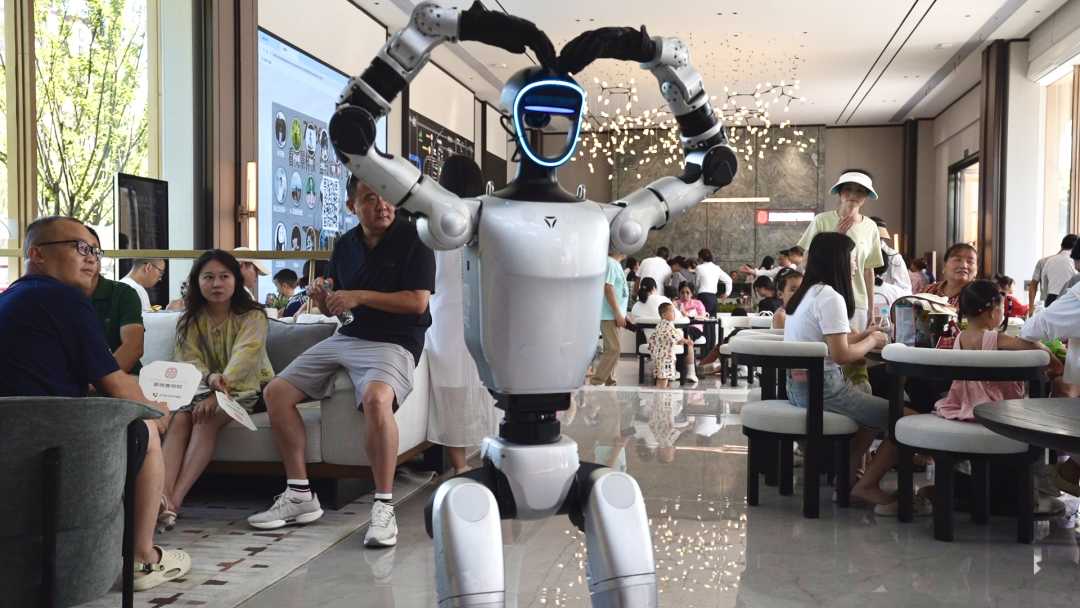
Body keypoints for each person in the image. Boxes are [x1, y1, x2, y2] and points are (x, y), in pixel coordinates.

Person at [0, 216, 190, 590]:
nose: (91, 258)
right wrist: (159, 409)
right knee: (145, 425)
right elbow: (114, 385)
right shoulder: (63, 299)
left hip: (11, 448)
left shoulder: (10, 299)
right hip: (54, 451)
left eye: (95, 251)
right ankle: (142, 558)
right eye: (79, 248)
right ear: (37, 254)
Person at [249, 177, 436, 550]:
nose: (381, 205)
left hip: (395, 340)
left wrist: (359, 296)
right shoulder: (346, 245)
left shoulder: (415, 238)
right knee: (276, 392)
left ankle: (383, 507)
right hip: (349, 336)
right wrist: (324, 298)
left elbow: (417, 302)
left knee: (377, 400)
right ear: (352, 206)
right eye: (370, 198)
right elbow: (335, 308)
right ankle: (300, 493)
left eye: (386, 197)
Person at [783, 232, 902, 508]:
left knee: (870, 417)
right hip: (823, 390)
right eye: (852, 258)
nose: (855, 265)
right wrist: (872, 340)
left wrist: (864, 335)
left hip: (798, 387)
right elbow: (841, 355)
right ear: (836, 260)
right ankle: (867, 485)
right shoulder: (830, 296)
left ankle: (846, 481)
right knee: (905, 421)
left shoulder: (807, 294)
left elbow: (828, 340)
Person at [160, 250, 274, 528]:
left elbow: (245, 358)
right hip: (200, 388)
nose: (216, 284)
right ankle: (159, 499)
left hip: (247, 388)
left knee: (206, 419)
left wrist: (218, 393)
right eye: (208, 277)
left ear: (236, 280)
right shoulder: (190, 319)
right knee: (180, 419)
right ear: (197, 282)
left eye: (224, 276)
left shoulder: (254, 316)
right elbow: (188, 360)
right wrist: (210, 379)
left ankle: (174, 502)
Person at [425, 155, 500, 473]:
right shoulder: (487, 219)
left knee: (451, 387)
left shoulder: (436, 220)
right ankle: (491, 454)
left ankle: (458, 465)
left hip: (444, 313)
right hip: (482, 311)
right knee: (486, 383)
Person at [934, 281, 1057, 421]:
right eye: (1003, 309)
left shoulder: (959, 337)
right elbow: (1035, 347)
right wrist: (1055, 362)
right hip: (995, 409)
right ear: (992, 312)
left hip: (963, 403)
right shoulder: (996, 338)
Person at [797, 169, 884, 331]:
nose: (853, 194)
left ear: (866, 196)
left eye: (860, 190)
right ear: (839, 192)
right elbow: (806, 262)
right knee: (828, 345)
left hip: (857, 302)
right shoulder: (822, 221)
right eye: (848, 188)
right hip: (823, 297)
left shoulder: (870, 227)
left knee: (855, 344)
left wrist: (871, 309)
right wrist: (836, 238)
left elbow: (868, 270)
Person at [86, 227, 145, 373]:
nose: (90, 258)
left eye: (95, 251)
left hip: (123, 378)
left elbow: (133, 347)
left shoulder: (122, 293)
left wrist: (98, 382)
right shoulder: (54, 297)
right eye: (82, 250)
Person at [594, 246, 629, 387]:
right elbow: (608, 287)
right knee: (614, 349)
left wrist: (621, 313)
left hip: (614, 314)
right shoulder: (610, 263)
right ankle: (597, 380)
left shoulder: (615, 264)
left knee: (611, 349)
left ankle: (609, 380)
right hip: (609, 315)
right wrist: (617, 312)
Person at [648, 302, 695, 387]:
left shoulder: (660, 325)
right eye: (672, 311)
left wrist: (652, 349)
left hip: (660, 356)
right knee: (664, 377)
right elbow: (675, 337)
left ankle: (662, 391)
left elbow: (654, 338)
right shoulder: (667, 325)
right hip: (665, 357)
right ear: (664, 314)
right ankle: (662, 392)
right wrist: (687, 341)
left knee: (661, 377)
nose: (674, 313)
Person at [1029, 234, 1078, 314]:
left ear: (1061, 245)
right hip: (1067, 303)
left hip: (1048, 302)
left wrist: (1031, 309)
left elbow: (1039, 285)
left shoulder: (1046, 261)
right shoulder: (1073, 262)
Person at [920, 242, 977, 309]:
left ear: (976, 270)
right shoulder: (928, 290)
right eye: (958, 260)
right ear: (944, 266)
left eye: (970, 261)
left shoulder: (979, 297)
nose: (964, 265)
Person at [870, 216, 912, 294]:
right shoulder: (861, 252)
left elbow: (905, 290)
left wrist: (883, 288)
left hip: (887, 297)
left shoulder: (894, 257)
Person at [1040, 234, 1080, 308]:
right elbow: (1076, 280)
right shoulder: (1074, 260)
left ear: (1062, 245)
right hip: (1068, 299)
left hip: (1050, 298)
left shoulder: (1049, 260)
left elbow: (1044, 282)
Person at [695, 248, 731, 315]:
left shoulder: (699, 267)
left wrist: (695, 293)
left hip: (703, 296)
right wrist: (727, 293)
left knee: (702, 318)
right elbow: (729, 280)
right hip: (713, 298)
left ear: (701, 258)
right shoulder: (717, 268)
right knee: (712, 319)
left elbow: (697, 284)